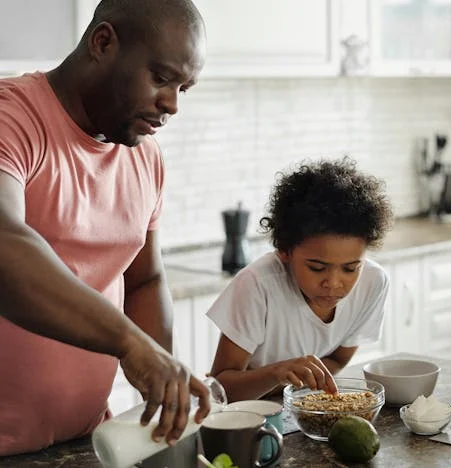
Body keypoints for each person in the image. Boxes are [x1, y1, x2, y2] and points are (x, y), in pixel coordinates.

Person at [0, 0, 211, 456]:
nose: (172, 104)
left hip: (84, 442)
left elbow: (144, 279)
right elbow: (4, 244)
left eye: (183, 88)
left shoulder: (145, 156)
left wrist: (166, 380)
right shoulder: (12, 118)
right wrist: (129, 343)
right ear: (103, 43)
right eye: (161, 78)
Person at [208, 157, 394, 402]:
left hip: (294, 404)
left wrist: (289, 383)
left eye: (350, 268)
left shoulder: (373, 282)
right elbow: (219, 388)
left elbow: (337, 360)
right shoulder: (257, 285)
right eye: (317, 268)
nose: (334, 283)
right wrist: (277, 373)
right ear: (285, 251)